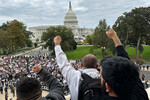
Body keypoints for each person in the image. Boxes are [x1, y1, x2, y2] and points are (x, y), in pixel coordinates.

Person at [100, 29, 149, 100]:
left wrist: (114, 37)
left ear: (108, 87)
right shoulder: (140, 95)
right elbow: (125, 62)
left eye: (101, 76)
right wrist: (114, 37)